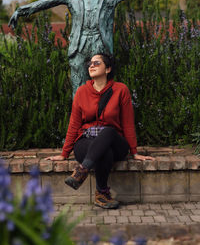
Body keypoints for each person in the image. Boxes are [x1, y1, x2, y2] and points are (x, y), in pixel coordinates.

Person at [8, 0, 193, 97]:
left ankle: (102, 130)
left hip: (100, 43)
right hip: (78, 46)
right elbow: (46, 1)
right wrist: (21, 11)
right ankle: (79, 134)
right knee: (78, 91)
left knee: (102, 91)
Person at [45, 53, 154, 209]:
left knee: (108, 132)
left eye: (97, 63)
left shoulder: (120, 90)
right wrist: (64, 154)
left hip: (115, 141)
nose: (91, 66)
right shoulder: (82, 92)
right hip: (87, 142)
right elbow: (74, 125)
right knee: (104, 152)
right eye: (90, 63)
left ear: (108, 69)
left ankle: (82, 171)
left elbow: (128, 123)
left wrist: (134, 152)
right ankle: (101, 194)